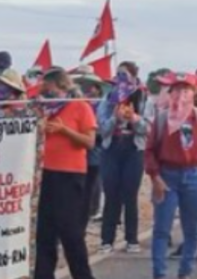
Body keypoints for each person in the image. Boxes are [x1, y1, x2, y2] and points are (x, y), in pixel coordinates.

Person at [34, 68, 97, 279]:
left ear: (61, 86)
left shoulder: (80, 107)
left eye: (49, 88)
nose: (45, 92)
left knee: (70, 233)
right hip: (45, 173)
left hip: (70, 175)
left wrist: (64, 130)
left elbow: (89, 142)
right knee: (45, 232)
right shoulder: (44, 109)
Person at [147, 71, 197, 279]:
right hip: (167, 175)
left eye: (186, 89)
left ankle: (185, 272)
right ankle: (159, 274)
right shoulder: (162, 118)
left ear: (194, 93)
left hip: (194, 175)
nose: (181, 95)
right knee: (162, 229)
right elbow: (150, 150)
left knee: (193, 229)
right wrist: (155, 177)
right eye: (176, 90)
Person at [97, 65, 150, 254]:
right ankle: (107, 239)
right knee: (111, 194)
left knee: (130, 195)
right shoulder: (108, 99)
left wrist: (134, 118)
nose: (121, 81)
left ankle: (131, 239)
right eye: (118, 76)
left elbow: (148, 129)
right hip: (111, 149)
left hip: (133, 149)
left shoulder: (143, 98)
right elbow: (102, 130)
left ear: (134, 78)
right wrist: (115, 119)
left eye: (125, 76)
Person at [70, 66, 109, 226]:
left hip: (94, 151)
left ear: (97, 88)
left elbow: (102, 129)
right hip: (77, 152)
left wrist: (89, 132)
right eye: (82, 85)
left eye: (89, 85)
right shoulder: (76, 103)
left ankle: (90, 212)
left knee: (92, 185)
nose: (86, 89)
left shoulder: (103, 105)